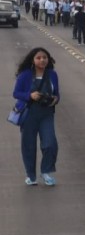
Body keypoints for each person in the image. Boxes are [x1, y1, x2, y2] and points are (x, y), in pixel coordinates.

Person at [13, 48, 60, 186]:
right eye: (38, 57)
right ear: (33, 60)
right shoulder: (25, 75)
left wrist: (55, 99)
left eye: (44, 57)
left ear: (48, 59)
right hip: (29, 114)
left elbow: (57, 93)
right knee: (29, 146)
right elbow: (16, 93)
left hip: (47, 113)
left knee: (50, 143)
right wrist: (29, 96)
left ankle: (46, 171)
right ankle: (31, 176)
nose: (42, 60)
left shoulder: (52, 74)